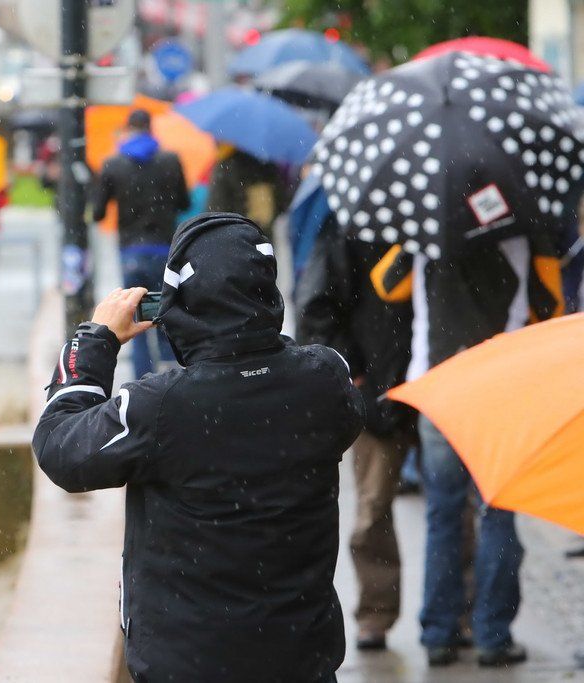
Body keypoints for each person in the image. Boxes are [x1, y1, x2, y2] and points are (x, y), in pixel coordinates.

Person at [34, 212, 365, 682]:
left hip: (190, 663)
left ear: (178, 305)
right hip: (302, 657)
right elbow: (289, 378)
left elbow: (59, 447)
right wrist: (248, 335)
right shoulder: (325, 379)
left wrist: (93, 341)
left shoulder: (161, 407)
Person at [371, 231, 564, 667]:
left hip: (441, 387)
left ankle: (439, 634)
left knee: (442, 515)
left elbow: (386, 284)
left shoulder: (426, 231)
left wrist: (412, 240)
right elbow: (550, 307)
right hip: (502, 388)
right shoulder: (523, 231)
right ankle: (493, 634)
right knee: (498, 512)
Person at [295, 217, 415, 651]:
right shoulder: (354, 223)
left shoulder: (446, 216)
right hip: (381, 383)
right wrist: (354, 370)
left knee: (456, 505)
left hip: (439, 374)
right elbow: (317, 305)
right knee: (373, 506)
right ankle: (376, 614)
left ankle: (458, 616)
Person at [92, 109, 191, 378]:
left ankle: (143, 385)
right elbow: (184, 202)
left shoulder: (113, 164)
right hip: (165, 252)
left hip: (131, 252)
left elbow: (97, 213)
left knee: (136, 322)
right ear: (150, 128)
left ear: (129, 128)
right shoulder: (170, 160)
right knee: (166, 319)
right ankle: (173, 380)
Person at [206, 147, 286, 237]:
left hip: (234, 235)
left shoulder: (226, 166)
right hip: (263, 236)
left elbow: (216, 208)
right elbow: (282, 203)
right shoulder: (268, 166)